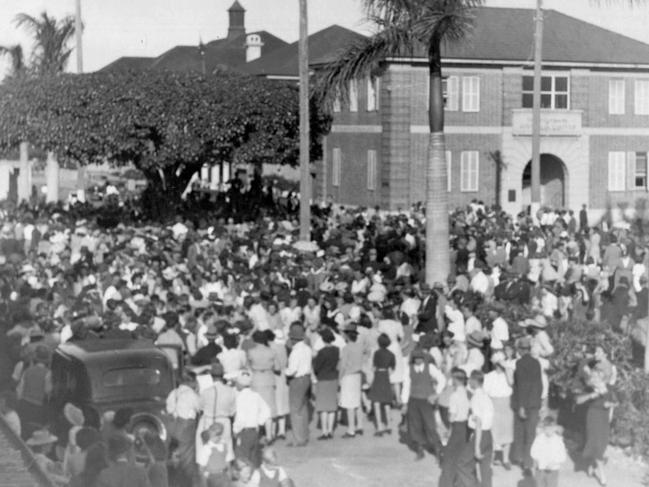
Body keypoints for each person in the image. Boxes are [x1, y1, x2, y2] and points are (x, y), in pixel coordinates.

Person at [400, 348, 446, 461]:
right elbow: (406, 386)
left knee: (430, 425)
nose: (418, 360)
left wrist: (436, 394)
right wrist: (405, 403)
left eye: (420, 358)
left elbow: (442, 379)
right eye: (416, 358)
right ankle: (419, 450)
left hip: (427, 401)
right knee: (415, 425)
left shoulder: (430, 367)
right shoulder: (408, 369)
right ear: (413, 359)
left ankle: (438, 451)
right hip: (414, 400)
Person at [511, 336, 543, 477]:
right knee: (531, 433)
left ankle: (523, 461)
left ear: (520, 350)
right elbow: (538, 385)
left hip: (524, 403)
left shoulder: (520, 363)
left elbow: (523, 385)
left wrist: (522, 406)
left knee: (521, 433)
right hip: (534, 403)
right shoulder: (536, 362)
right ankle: (529, 462)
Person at [165, 372, 201, 486]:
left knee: (174, 454)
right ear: (191, 382)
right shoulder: (191, 394)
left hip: (173, 425)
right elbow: (200, 407)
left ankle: (174, 481)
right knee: (187, 457)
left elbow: (169, 409)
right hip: (186, 427)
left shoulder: (173, 393)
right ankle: (187, 482)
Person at [439, 368, 472, 487]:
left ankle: (446, 484)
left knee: (449, 458)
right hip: (465, 428)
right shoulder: (468, 393)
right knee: (460, 456)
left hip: (457, 427)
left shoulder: (454, 396)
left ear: (455, 380)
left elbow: (452, 418)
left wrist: (448, 420)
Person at [233, 370, 271, 467]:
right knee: (253, 456)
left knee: (243, 458)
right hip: (254, 431)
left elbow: (240, 418)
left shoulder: (239, 397)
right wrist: (259, 422)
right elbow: (267, 412)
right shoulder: (256, 396)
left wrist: (235, 431)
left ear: (240, 384)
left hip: (244, 432)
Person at [483, 351, 514, 469]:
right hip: (493, 405)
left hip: (506, 405)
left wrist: (507, 370)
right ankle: (491, 458)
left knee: (507, 433)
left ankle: (505, 459)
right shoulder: (489, 376)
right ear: (494, 364)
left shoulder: (509, 376)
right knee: (493, 433)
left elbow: (512, 385)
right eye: (497, 364)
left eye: (502, 364)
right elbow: (485, 393)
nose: (500, 367)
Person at [247, 330, 279, 442]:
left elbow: (248, 366)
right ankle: (269, 435)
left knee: (256, 408)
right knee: (269, 408)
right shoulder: (272, 351)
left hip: (256, 378)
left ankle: (256, 434)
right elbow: (278, 367)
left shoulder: (251, 352)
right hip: (268, 378)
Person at [284, 322, 312, 447]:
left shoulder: (295, 351)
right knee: (303, 408)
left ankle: (298, 439)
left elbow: (292, 370)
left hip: (297, 380)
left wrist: (284, 370)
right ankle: (304, 435)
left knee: (295, 410)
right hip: (306, 378)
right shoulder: (307, 348)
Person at [312, 327, 340, 440]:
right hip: (333, 378)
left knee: (323, 407)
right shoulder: (337, 350)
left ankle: (324, 431)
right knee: (332, 406)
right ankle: (330, 430)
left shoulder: (322, 352)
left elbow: (317, 366)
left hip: (323, 378)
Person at [467, 370, 494, 487]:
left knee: (462, 465)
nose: (468, 381)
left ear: (473, 381)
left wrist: (477, 447)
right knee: (485, 469)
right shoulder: (486, 396)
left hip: (479, 435)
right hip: (488, 435)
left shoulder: (476, 398)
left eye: (470, 379)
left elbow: (478, 423)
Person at [339, 323, 364, 439]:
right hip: (358, 375)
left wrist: (339, 379)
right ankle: (360, 426)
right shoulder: (359, 346)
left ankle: (351, 430)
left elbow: (343, 366)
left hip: (348, 376)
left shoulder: (346, 348)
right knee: (357, 403)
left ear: (347, 336)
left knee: (349, 404)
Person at [367, 333, 395, 437]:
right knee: (387, 402)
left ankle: (379, 426)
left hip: (378, 375)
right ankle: (388, 425)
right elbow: (392, 370)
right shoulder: (391, 354)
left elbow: (373, 367)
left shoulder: (377, 353)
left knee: (377, 403)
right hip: (386, 376)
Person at [530, 416, 568, 487]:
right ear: (544, 428)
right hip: (541, 468)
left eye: (552, 428)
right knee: (539, 484)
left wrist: (554, 462)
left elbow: (562, 456)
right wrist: (538, 460)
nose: (549, 430)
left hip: (553, 470)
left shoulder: (558, 440)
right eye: (547, 428)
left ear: (555, 428)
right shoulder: (539, 439)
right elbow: (533, 451)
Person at [197, 422, 234, 487]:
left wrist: (229, 472)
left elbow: (227, 461)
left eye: (220, 434)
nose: (219, 437)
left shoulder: (224, 445)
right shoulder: (207, 448)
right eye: (216, 435)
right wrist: (204, 482)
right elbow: (201, 468)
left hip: (224, 475)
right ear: (210, 434)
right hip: (212, 476)